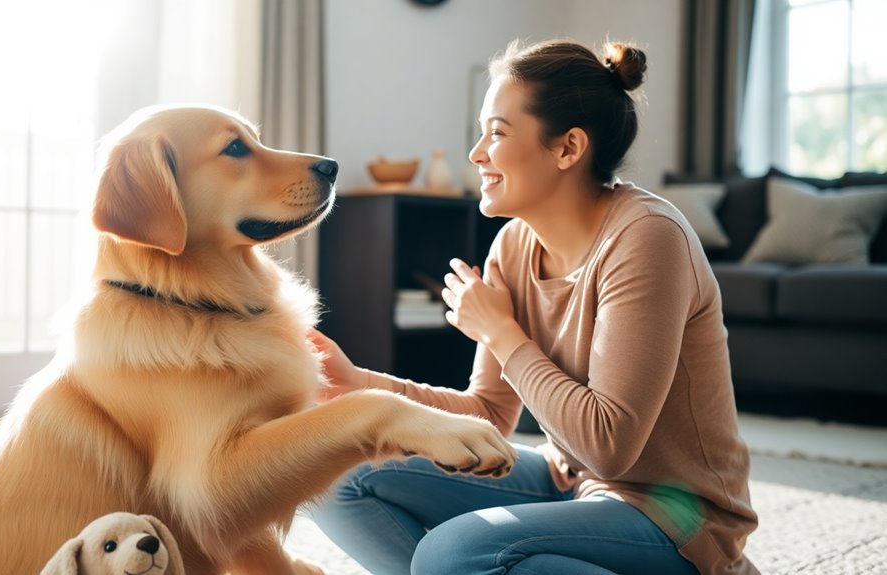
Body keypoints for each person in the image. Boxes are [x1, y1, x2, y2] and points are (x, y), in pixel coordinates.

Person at [308, 38, 758, 575]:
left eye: (497, 133)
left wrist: (502, 333)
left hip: (677, 517)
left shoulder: (647, 238)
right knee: (332, 470)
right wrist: (359, 382)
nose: (476, 154)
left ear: (568, 148)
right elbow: (490, 416)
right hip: (571, 483)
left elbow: (609, 446)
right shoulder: (514, 246)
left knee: (455, 551)